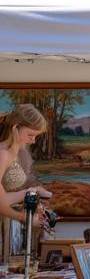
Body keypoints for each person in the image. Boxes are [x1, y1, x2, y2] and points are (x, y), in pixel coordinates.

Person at [0, 106, 53, 257]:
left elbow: (10, 193)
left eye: (36, 136)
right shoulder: (3, 154)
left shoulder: (18, 153)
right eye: (30, 134)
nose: (33, 140)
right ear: (16, 127)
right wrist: (27, 217)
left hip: (11, 227)